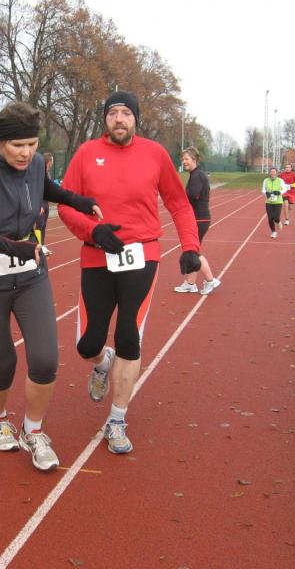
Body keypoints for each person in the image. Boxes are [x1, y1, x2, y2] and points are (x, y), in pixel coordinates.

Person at [0, 102, 101, 471]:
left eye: (32, 144)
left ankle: (33, 430)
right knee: (3, 365)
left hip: (31, 276)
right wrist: (10, 247)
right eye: (18, 145)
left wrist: (79, 201)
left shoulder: (35, 164)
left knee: (45, 360)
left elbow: (45, 187)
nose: (26, 153)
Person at [58, 91, 201, 455]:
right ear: (105, 119)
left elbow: (179, 203)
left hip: (142, 256)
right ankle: (101, 363)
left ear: (136, 118)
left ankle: (117, 420)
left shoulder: (155, 154)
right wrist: (94, 232)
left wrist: (190, 247)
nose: (119, 119)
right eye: (112, 113)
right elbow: (66, 205)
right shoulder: (86, 153)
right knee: (87, 343)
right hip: (97, 255)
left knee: (128, 337)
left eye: (125, 113)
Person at [173, 147, 221, 294]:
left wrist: (178, 197)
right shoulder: (196, 174)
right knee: (192, 250)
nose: (184, 161)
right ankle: (190, 283)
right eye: (182, 159)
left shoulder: (197, 175)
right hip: (199, 217)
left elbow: (192, 195)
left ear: (194, 159)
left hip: (198, 218)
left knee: (192, 252)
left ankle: (210, 280)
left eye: (186, 159)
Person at [35, 152, 54, 254]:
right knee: (39, 224)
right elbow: (36, 189)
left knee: (44, 225)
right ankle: (37, 245)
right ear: (49, 161)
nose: (53, 163)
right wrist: (39, 204)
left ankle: (42, 244)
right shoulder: (39, 173)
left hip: (46, 202)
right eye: (52, 160)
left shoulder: (48, 173)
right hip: (40, 202)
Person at [261, 166, 288, 239]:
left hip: (278, 202)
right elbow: (263, 190)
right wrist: (266, 193)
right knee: (270, 218)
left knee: (276, 217)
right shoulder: (266, 180)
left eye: (274, 172)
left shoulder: (280, 180)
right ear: (269, 173)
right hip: (268, 202)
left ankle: (278, 222)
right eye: (271, 172)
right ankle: (273, 232)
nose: (272, 173)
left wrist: (279, 192)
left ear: (276, 173)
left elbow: (285, 189)